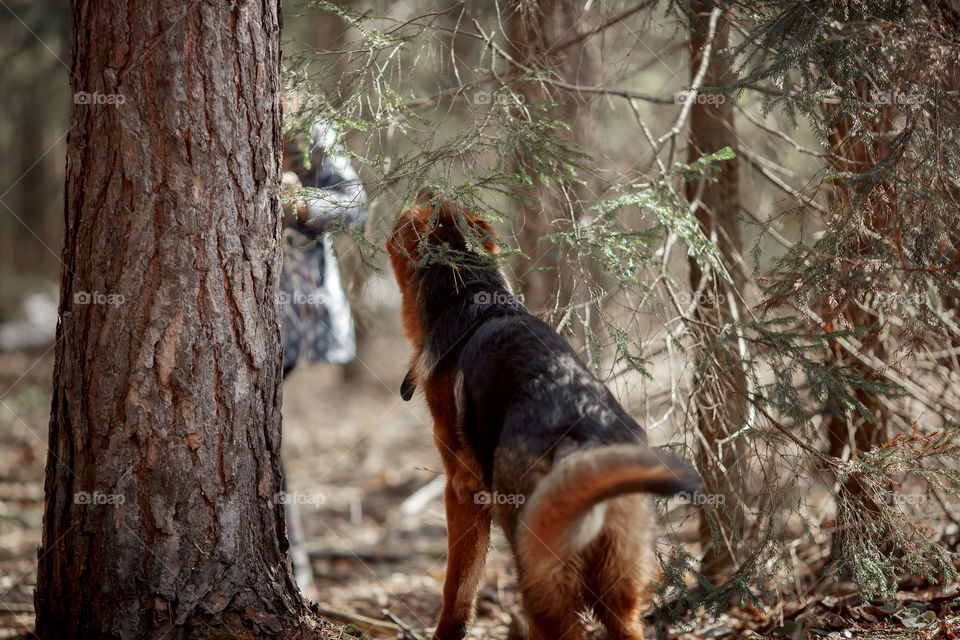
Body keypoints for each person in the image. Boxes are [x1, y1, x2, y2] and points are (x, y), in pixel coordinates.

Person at [279, 120, 368, 597]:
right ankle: (294, 576)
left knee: (254, 434)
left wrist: (300, 200)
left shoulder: (303, 126)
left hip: (288, 315)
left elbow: (355, 206)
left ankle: (293, 578)